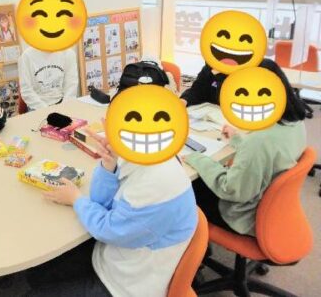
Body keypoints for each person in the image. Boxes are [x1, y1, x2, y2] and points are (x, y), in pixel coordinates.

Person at [26, 133, 197, 297]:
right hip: (112, 256)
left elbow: (109, 230)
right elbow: (101, 203)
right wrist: (109, 164)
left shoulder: (159, 181)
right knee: (37, 274)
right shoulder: (143, 155)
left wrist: (76, 199)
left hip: (124, 286)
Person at [184, 59, 307, 236]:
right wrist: (239, 140)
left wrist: (197, 158)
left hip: (243, 215)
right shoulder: (294, 122)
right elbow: (266, 154)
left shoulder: (259, 140)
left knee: (186, 187)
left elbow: (231, 190)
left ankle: (197, 244)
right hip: (270, 204)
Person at [18, 46, 79, 110]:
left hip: (61, 103)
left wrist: (64, 107)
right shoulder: (27, 55)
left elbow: (71, 84)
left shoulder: (68, 53)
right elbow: (26, 89)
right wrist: (46, 110)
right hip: (36, 107)